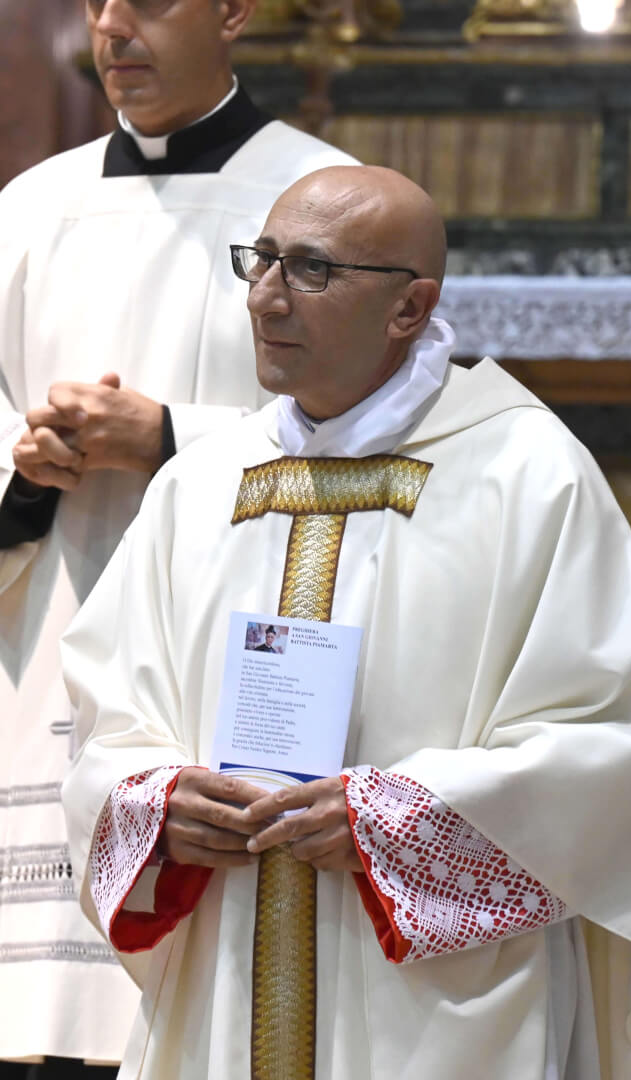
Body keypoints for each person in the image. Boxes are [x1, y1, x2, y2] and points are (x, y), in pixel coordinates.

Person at [62, 166, 631, 1080]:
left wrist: (395, 822)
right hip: (228, 966)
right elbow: (108, 718)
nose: (265, 296)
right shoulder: (200, 483)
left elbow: (618, 744)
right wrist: (156, 802)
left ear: (409, 308)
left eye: (311, 270)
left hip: (439, 1005)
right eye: (260, 260)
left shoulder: (526, 474)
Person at [0, 0, 355, 1067]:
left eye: (149, 1)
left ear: (233, 11)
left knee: (212, 1009)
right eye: (97, 2)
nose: (112, 28)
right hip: (50, 613)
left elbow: (375, 432)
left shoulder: (325, 198)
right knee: (47, 1015)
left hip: (233, 644)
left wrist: (165, 436)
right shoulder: (31, 205)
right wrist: (23, 468)